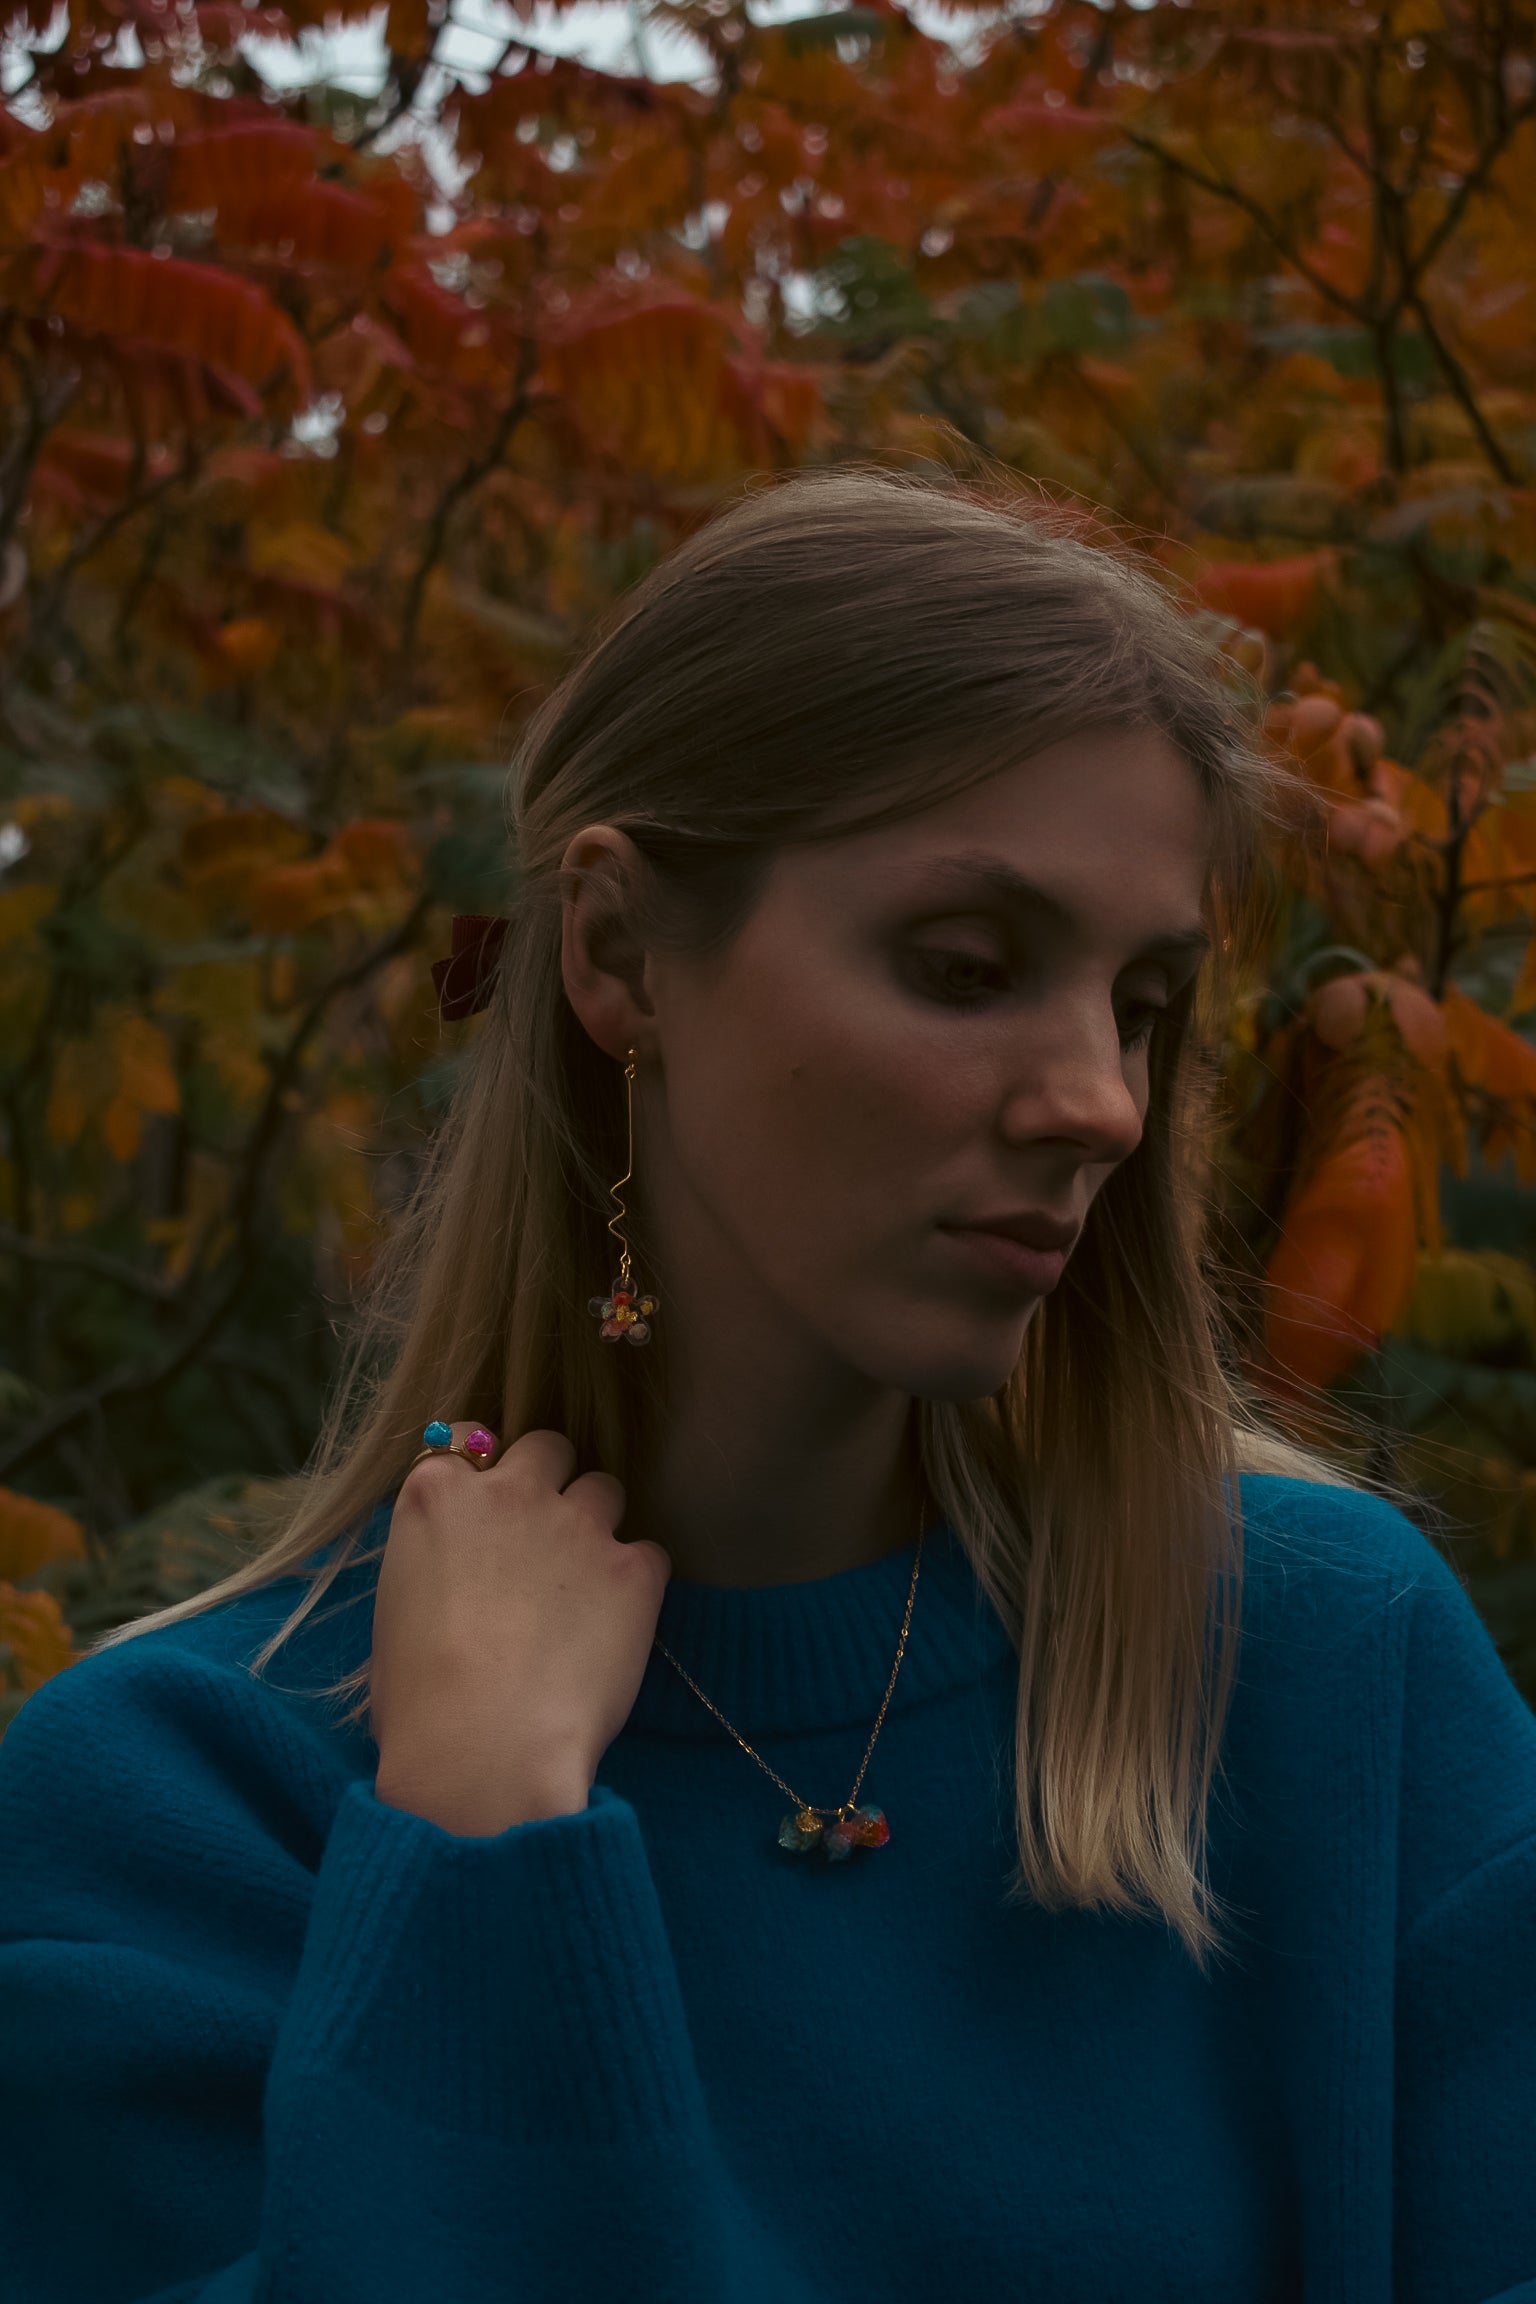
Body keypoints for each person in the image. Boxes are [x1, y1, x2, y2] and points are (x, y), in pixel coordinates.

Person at [2, 465, 1534, 2304]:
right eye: (965, 966)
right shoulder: (177, 1816)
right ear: (621, 956)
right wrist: (477, 1846)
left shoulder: (1329, 1678)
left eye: (1138, 1004)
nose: (1102, 1101)